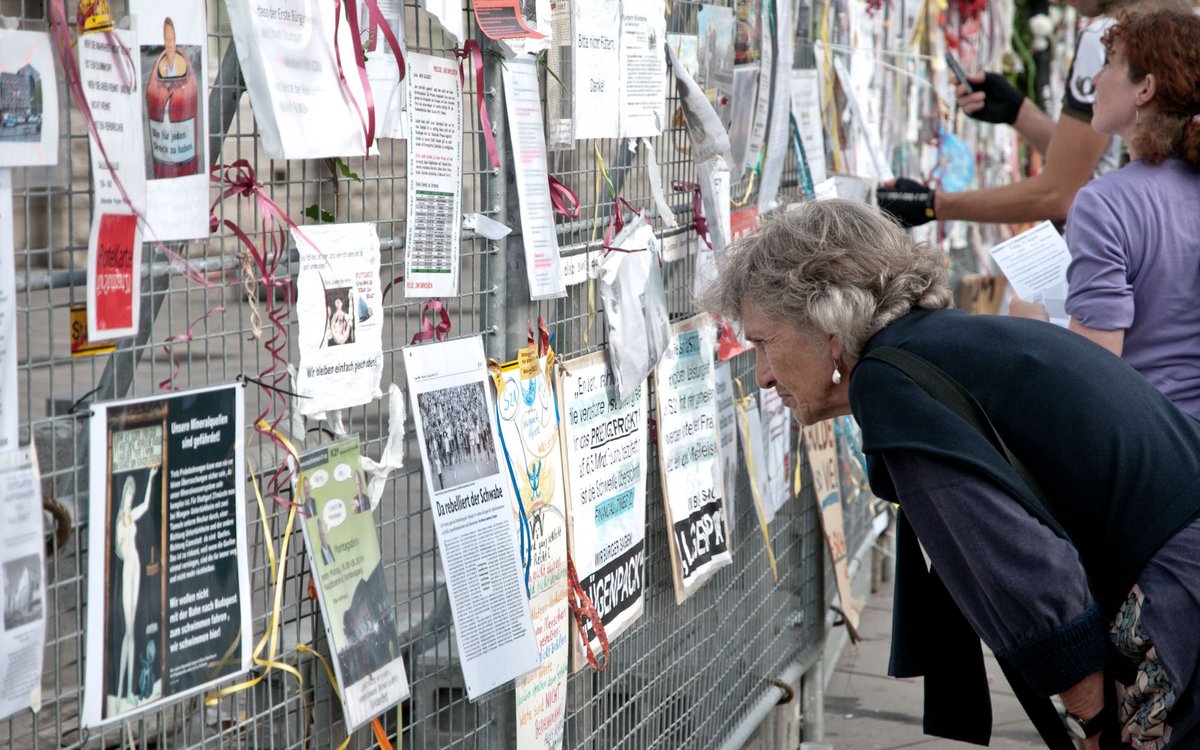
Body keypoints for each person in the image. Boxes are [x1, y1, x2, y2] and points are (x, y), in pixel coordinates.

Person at [700, 199, 1200, 749]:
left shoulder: (894, 384)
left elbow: (1028, 576)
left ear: (827, 326)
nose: (762, 376)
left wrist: (1093, 723)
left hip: (1178, 595)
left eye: (763, 343)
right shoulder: (936, 345)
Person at [1010, 11, 1200, 421]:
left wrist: (1034, 328)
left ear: (1145, 88)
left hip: (1151, 438)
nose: (1095, 79)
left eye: (1110, 63)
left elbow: (1094, 376)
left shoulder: (1107, 202)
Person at [876, 0, 1190, 228]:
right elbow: (1090, 165)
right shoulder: (1182, 23)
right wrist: (1019, 112)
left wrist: (933, 204)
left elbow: (1060, 194)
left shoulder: (1107, 35)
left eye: (1108, 66)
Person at [114, 465, 157, 702]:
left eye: (132, 495)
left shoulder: (130, 517)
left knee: (132, 628)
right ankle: (123, 687)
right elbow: (119, 550)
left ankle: (129, 690)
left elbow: (146, 505)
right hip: (128, 566)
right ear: (124, 497)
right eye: (128, 495)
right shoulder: (121, 522)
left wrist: (150, 478)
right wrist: (122, 542)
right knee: (128, 631)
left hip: (137, 566)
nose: (130, 499)